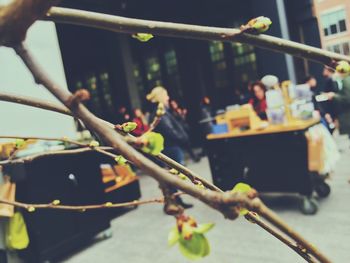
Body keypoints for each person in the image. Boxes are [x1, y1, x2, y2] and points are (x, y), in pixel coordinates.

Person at [146, 86, 193, 209]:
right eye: (166, 95)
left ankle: (174, 201)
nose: (168, 98)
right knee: (173, 177)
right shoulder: (160, 113)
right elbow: (169, 131)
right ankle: (175, 201)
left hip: (169, 148)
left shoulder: (161, 112)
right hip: (170, 149)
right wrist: (182, 138)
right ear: (161, 96)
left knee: (170, 177)